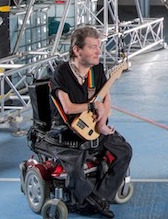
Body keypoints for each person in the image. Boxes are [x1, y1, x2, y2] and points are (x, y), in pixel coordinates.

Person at [48, 26, 133, 218]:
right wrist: (92, 107)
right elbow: (68, 108)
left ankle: (100, 198)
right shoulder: (62, 72)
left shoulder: (97, 70)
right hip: (65, 130)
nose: (98, 51)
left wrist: (102, 123)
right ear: (77, 50)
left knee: (124, 151)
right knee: (75, 166)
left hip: (93, 127)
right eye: (93, 47)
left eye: (99, 47)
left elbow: (105, 100)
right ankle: (86, 201)